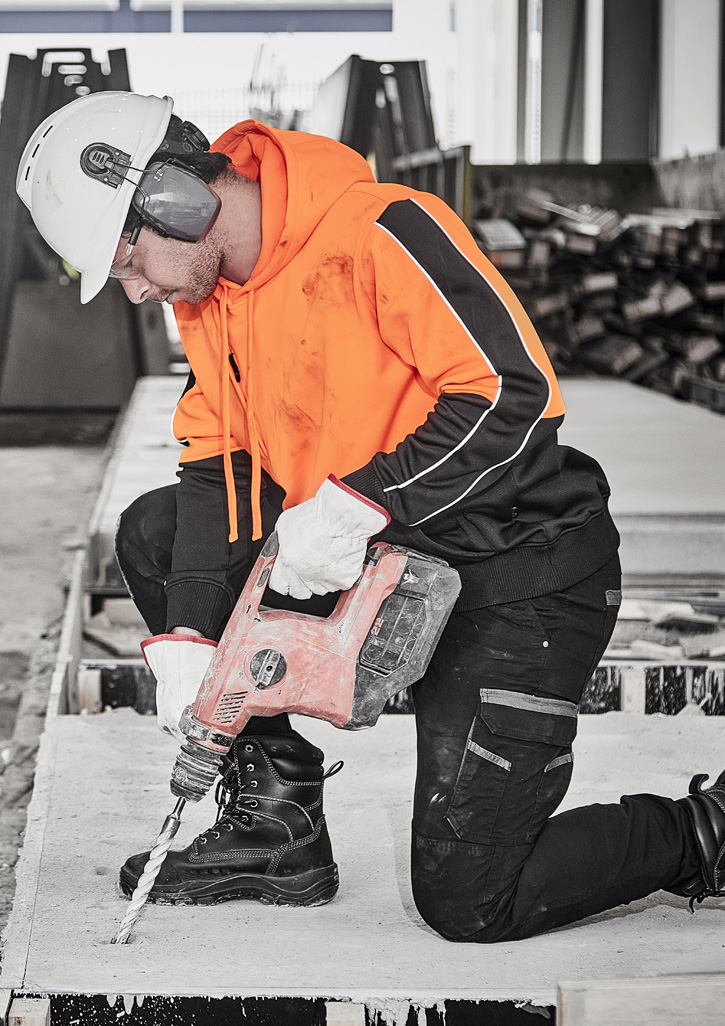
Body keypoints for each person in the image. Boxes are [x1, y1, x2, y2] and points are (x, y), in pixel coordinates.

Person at [17, 90, 724, 941]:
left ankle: (705, 832)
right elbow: (217, 465)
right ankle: (275, 828)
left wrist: (362, 502)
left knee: (471, 902)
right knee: (158, 535)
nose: (135, 291)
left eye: (127, 260)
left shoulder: (383, 229)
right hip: (375, 564)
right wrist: (190, 635)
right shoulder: (209, 300)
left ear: (176, 200)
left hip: (511, 572)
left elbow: (513, 396)